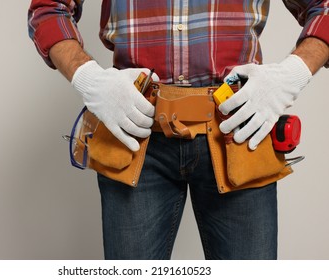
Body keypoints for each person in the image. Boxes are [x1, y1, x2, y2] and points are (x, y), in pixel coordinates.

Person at [28, 0, 329, 260]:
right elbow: (47, 8)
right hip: (136, 129)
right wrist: (89, 77)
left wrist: (293, 74)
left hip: (236, 132)